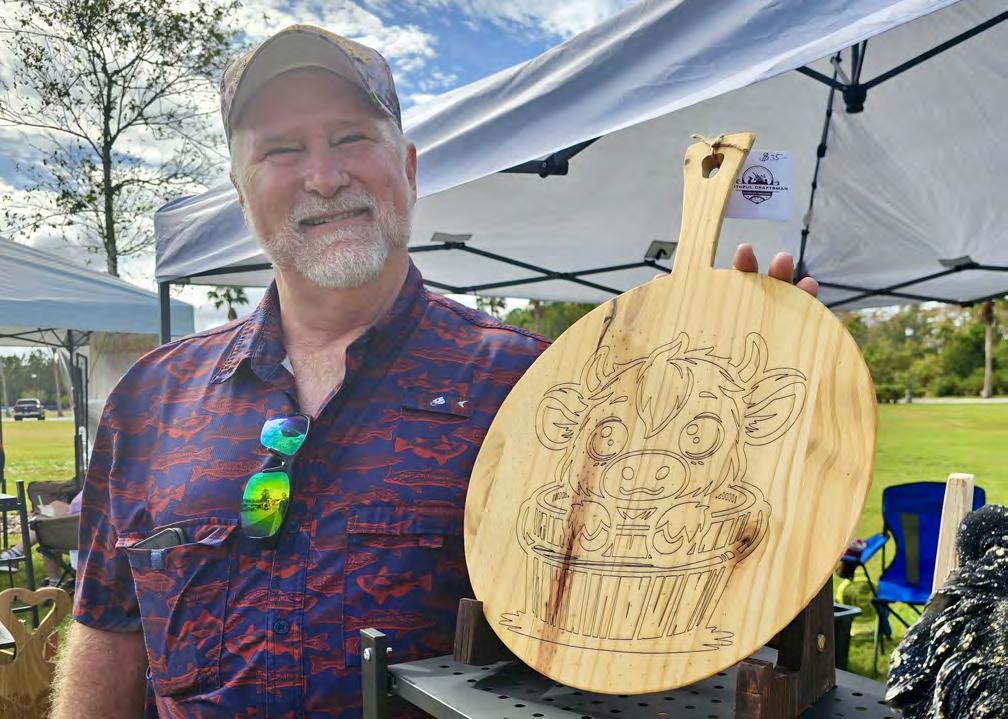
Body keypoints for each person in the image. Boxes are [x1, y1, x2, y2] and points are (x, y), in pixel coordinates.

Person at [51, 24, 818, 719]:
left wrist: (745, 435)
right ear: (241, 192)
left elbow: (657, 598)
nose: (324, 176)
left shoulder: (534, 385)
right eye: (281, 149)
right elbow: (109, 636)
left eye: (352, 137)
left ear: (409, 169)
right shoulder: (150, 404)